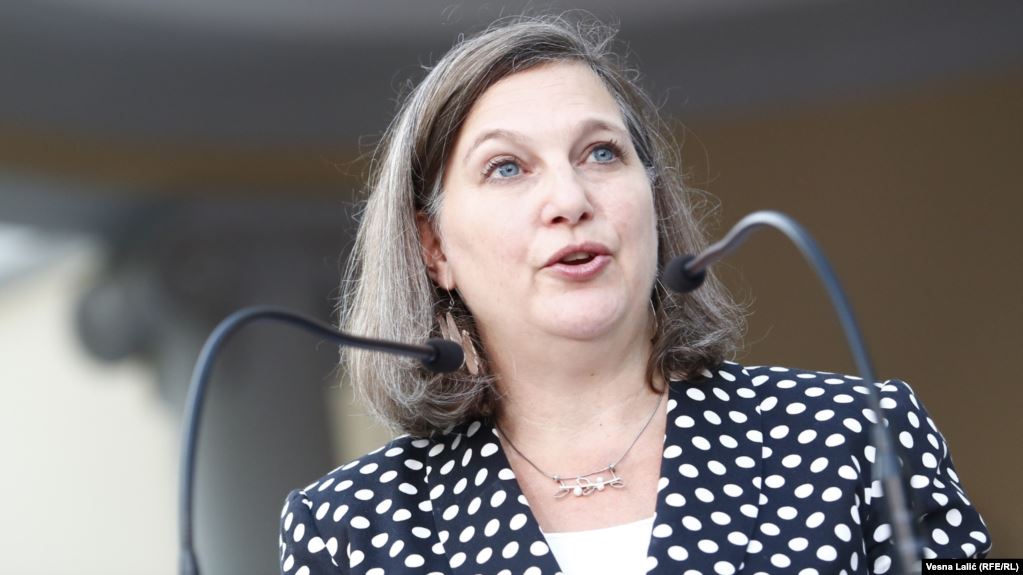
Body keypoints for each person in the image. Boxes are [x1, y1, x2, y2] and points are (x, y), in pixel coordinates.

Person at [278, 15, 990, 575]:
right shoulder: (348, 528)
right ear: (434, 247)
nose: (569, 199)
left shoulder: (856, 435)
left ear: (651, 201)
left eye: (600, 153)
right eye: (506, 167)